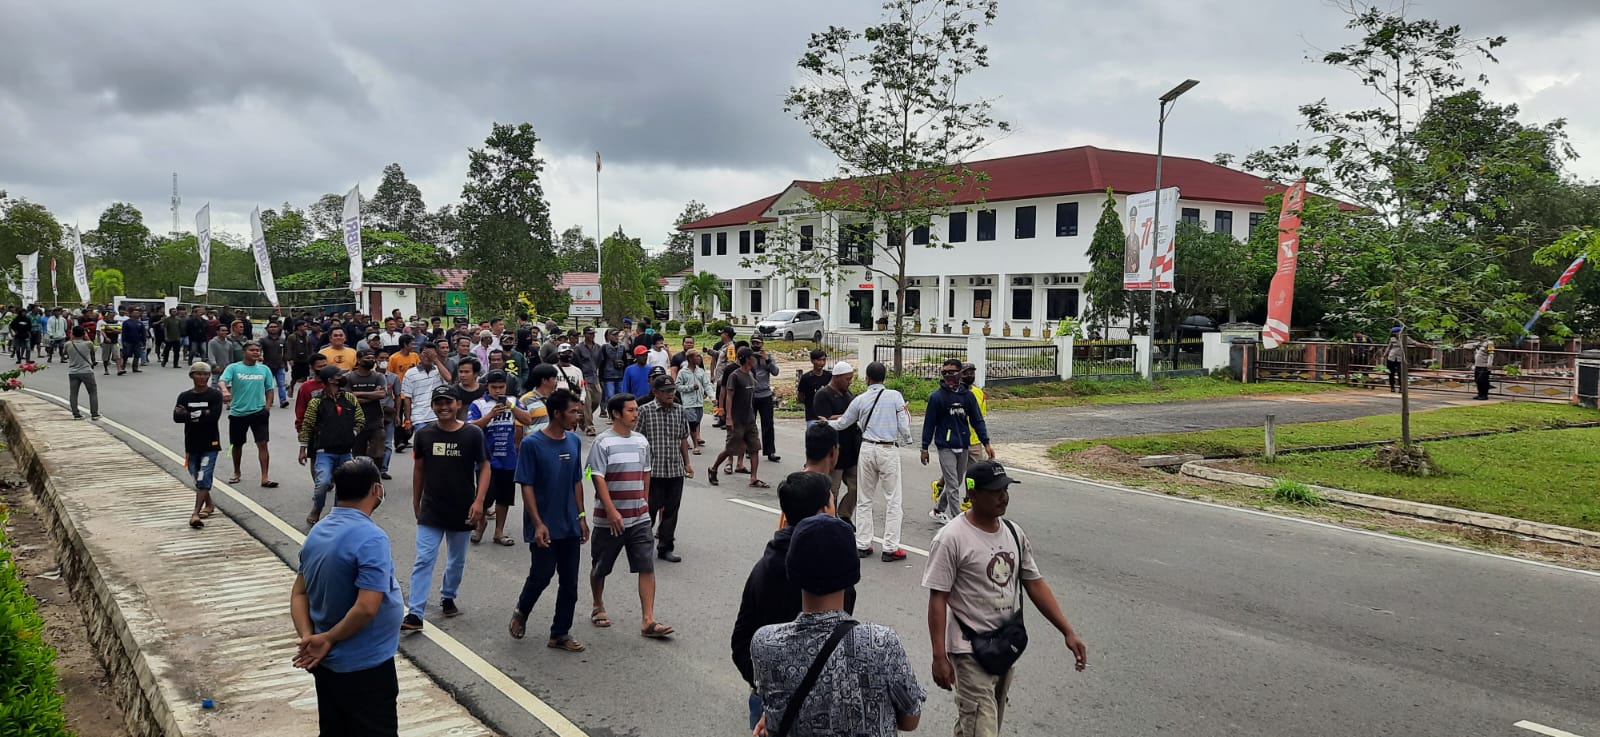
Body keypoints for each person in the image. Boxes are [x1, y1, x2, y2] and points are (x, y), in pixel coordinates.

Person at [922, 461, 1088, 737]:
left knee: (977, 724)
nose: (1004, 496)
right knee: (982, 727)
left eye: (1006, 489)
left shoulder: (1013, 532)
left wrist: (1067, 631)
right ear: (973, 495)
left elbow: (1034, 584)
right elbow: (938, 598)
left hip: (1004, 646)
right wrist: (939, 656)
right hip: (969, 651)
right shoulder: (951, 538)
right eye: (995, 491)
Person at [751, 514, 924, 737]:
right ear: (852, 572)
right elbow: (910, 719)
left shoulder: (765, 643)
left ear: (792, 570)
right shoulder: (881, 643)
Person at [290, 457, 405, 736]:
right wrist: (327, 639)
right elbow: (367, 607)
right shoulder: (371, 537)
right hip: (365, 666)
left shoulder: (318, 531)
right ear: (377, 490)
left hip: (326, 663)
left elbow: (299, 593)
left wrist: (309, 638)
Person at [502, 388, 589, 651]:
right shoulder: (532, 444)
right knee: (541, 575)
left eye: (578, 410)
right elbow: (526, 484)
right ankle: (522, 610)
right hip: (544, 525)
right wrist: (537, 522)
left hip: (570, 524)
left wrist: (582, 516)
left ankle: (559, 633)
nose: (578, 416)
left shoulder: (574, 441)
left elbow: (577, 480)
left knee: (570, 584)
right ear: (556, 413)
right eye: (573, 411)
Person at [403, 385, 491, 631]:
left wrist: (479, 501)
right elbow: (419, 469)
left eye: (448, 403)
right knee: (423, 559)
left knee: (456, 561)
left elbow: (484, 467)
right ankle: (415, 614)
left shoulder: (472, 434)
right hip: (432, 508)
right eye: (438, 403)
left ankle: (448, 595)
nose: (443, 407)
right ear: (432, 406)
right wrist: (415, 501)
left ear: (458, 404)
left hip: (462, 508)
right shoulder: (424, 435)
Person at [587, 393, 674, 638]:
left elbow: (646, 474)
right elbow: (596, 477)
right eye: (631, 411)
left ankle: (648, 619)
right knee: (601, 567)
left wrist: (644, 503)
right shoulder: (603, 443)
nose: (636, 414)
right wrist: (611, 510)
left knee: (646, 565)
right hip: (609, 519)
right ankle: (598, 604)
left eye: (636, 410)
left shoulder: (641, 442)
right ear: (616, 414)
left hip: (639, 517)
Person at [829, 361, 913, 561]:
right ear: (885, 377)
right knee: (893, 499)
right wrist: (908, 437)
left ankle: (863, 544)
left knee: (864, 498)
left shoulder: (860, 399)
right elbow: (903, 425)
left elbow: (843, 423)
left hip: (866, 448)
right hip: (887, 449)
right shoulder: (895, 397)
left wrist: (825, 424)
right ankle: (891, 547)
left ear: (867, 378)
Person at [922, 359, 993, 524]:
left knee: (958, 481)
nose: (948, 376)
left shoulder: (967, 396)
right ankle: (958, 523)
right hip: (945, 446)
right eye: (945, 372)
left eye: (952, 372)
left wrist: (986, 443)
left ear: (959, 373)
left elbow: (977, 420)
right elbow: (929, 424)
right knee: (953, 485)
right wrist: (924, 448)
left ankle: (938, 509)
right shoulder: (936, 397)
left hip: (963, 444)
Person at [467, 371, 533, 546]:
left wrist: (510, 407)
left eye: (501, 387)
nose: (497, 391)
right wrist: (490, 416)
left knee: (504, 498)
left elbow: (528, 419)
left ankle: (499, 532)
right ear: (487, 387)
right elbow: (470, 427)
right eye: (494, 387)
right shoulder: (478, 404)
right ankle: (480, 526)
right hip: (486, 458)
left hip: (508, 458)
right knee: (484, 497)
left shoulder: (513, 401)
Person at [637, 375, 693, 562]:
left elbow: (683, 438)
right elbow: (637, 440)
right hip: (654, 471)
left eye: (672, 390)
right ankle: (642, 545)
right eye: (666, 391)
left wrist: (686, 462)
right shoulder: (645, 411)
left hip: (675, 470)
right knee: (649, 509)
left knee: (671, 510)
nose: (670, 394)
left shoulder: (679, 411)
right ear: (655, 392)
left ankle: (665, 547)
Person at [219, 341, 278, 487]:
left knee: (263, 444)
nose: (256, 353)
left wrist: (268, 406)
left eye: (258, 350)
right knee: (237, 445)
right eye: (252, 350)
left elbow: (269, 389)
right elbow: (222, 381)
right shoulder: (234, 368)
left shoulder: (264, 369)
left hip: (259, 412)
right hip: (238, 413)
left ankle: (265, 477)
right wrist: (225, 390)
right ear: (244, 352)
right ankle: (236, 472)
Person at [174, 361, 223, 528]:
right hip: (192, 443)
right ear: (192, 376)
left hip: (210, 443)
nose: (202, 377)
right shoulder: (185, 396)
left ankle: (195, 513)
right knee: (197, 476)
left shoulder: (215, 395)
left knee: (203, 476)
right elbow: (177, 417)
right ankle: (209, 504)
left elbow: (213, 416)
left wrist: (189, 414)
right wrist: (201, 413)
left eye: (205, 374)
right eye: (198, 374)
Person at [708, 347, 763, 488]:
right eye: (752, 357)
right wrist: (728, 417)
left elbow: (753, 387)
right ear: (746, 358)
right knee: (730, 449)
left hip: (749, 419)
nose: (755, 360)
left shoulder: (750, 374)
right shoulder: (735, 375)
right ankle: (713, 468)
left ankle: (753, 478)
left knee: (754, 448)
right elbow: (729, 397)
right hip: (737, 420)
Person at [813, 362, 861, 522]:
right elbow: (823, 419)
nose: (850, 382)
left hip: (851, 451)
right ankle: (829, 520)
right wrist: (847, 416)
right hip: (834, 452)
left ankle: (844, 515)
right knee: (833, 490)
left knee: (857, 487)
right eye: (847, 379)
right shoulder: (823, 395)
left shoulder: (848, 394)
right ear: (837, 377)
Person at [345, 351, 389, 470]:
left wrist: (358, 394)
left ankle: (376, 477)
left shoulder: (379, 376)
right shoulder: (349, 377)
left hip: (376, 421)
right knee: (358, 455)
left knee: (378, 453)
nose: (371, 360)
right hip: (355, 422)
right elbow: (348, 398)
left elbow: (382, 394)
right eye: (367, 357)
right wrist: (372, 395)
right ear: (359, 360)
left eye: (372, 358)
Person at [399, 343, 449, 445]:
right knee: (425, 444)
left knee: (438, 445)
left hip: (437, 415)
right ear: (419, 354)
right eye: (425, 353)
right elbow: (407, 398)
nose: (428, 356)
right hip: (419, 416)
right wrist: (408, 420)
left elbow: (448, 378)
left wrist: (435, 360)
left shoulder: (438, 370)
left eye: (431, 354)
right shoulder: (410, 373)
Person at [748, 337, 782, 463]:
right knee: (750, 424)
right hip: (751, 394)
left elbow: (776, 372)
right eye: (754, 343)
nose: (756, 345)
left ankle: (770, 451)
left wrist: (767, 359)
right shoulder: (748, 356)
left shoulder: (768, 356)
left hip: (765, 394)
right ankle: (750, 448)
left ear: (762, 344)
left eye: (758, 343)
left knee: (768, 425)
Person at [675, 350, 712, 454]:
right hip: (688, 403)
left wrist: (712, 398)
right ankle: (696, 445)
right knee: (693, 423)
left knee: (696, 422)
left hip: (699, 402)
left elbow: (707, 385)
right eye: (697, 357)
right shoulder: (683, 372)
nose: (699, 359)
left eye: (699, 357)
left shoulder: (700, 371)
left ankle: (685, 439)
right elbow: (677, 386)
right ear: (690, 359)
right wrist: (690, 387)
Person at [65, 326, 101, 420]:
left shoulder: (68, 344)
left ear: (72, 333)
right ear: (83, 334)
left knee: (73, 393)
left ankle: (76, 413)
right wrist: (86, 336)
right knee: (92, 392)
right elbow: (93, 349)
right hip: (86, 371)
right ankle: (94, 413)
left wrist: (72, 338)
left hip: (73, 372)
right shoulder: (88, 344)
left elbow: (65, 353)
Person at [1384, 326, 1430, 394]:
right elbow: (1389, 347)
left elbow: (1415, 343)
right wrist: (1385, 354)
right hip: (1391, 357)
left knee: (1400, 373)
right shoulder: (1392, 339)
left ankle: (1401, 388)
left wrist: (1425, 345)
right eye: (1395, 332)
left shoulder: (1405, 338)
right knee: (1391, 373)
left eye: (1397, 332)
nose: (1396, 333)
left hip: (1400, 358)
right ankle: (1392, 387)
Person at [260, 320, 290, 408]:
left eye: (275, 327)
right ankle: (270, 400)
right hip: (267, 366)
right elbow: (259, 351)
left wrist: (286, 364)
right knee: (269, 385)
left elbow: (285, 353)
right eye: (271, 327)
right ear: (267, 329)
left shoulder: (282, 340)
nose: (273, 329)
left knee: (281, 384)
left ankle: (283, 400)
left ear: (278, 328)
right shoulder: (263, 340)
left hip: (280, 366)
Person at [796, 349, 832, 423]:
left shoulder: (829, 376)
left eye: (824, 360)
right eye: (819, 360)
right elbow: (800, 397)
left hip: (828, 416)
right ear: (812, 361)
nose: (822, 363)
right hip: (812, 416)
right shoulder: (806, 378)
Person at [599, 328, 629, 407]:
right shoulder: (604, 348)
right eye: (614, 335)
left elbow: (625, 362)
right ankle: (611, 411)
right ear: (609, 337)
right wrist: (601, 378)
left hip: (620, 376)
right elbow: (601, 363)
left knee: (620, 396)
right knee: (610, 396)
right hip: (608, 376)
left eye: (617, 335)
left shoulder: (622, 348)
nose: (616, 337)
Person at [1461, 335, 1497, 400]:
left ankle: (1484, 395)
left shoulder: (1490, 344)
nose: (1477, 338)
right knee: (1477, 380)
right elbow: (1471, 345)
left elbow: (1491, 354)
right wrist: (1462, 345)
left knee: (1483, 380)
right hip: (1478, 365)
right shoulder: (1479, 343)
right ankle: (1479, 394)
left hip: (1484, 365)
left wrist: (1489, 364)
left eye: (1479, 337)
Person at [120, 307, 148, 373]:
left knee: (137, 355)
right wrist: (123, 341)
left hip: (138, 341)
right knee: (125, 354)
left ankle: (135, 368)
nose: (137, 314)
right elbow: (123, 333)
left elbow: (143, 333)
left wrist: (144, 342)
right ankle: (123, 367)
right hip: (128, 341)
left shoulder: (140, 323)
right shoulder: (126, 322)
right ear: (131, 314)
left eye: (138, 313)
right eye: (135, 313)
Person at [96, 309, 121, 375]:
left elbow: (119, 331)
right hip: (106, 342)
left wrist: (110, 329)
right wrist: (105, 337)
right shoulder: (103, 322)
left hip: (115, 342)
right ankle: (106, 369)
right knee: (106, 357)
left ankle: (119, 370)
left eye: (113, 314)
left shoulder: (117, 322)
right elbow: (102, 331)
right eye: (110, 314)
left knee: (117, 355)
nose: (112, 315)